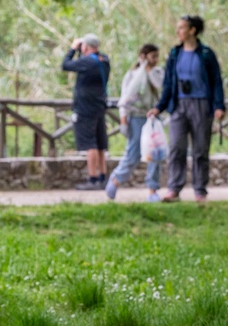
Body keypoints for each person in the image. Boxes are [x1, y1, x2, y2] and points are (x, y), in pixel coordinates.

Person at [147, 15, 225, 203]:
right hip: (179, 105)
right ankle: (174, 188)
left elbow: (216, 82)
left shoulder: (206, 54)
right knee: (176, 147)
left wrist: (219, 106)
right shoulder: (175, 54)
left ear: (192, 30)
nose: (178, 31)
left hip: (201, 104)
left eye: (182, 28)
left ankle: (200, 189)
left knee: (200, 149)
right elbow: (168, 84)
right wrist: (160, 107)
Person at [106, 44, 164, 202]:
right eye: (153, 56)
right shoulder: (131, 76)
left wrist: (149, 70)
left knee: (155, 154)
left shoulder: (158, 73)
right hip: (136, 117)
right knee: (133, 154)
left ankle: (152, 189)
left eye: (157, 56)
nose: (156, 60)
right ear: (144, 56)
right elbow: (125, 97)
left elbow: (161, 88)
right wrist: (123, 120)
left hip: (153, 117)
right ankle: (116, 180)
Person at [62, 34, 111, 190]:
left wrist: (72, 49)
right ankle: (103, 177)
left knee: (90, 144)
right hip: (99, 106)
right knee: (100, 144)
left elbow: (66, 65)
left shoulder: (88, 62)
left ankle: (93, 178)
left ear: (85, 46)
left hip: (85, 109)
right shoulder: (104, 60)